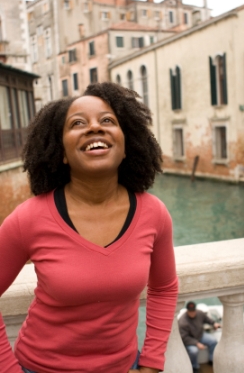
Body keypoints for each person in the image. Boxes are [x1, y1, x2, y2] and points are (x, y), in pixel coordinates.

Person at [0, 82, 178, 373]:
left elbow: (164, 288)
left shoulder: (154, 213)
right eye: (78, 123)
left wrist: (151, 363)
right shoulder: (28, 219)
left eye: (107, 120)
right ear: (62, 153)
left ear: (126, 146)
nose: (95, 127)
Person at [178, 301, 221, 373]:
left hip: (200, 335)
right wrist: (196, 343)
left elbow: (207, 319)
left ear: (195, 309)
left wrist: (214, 323)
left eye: (193, 311)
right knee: (194, 351)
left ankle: (211, 360)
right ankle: (195, 367)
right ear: (187, 311)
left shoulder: (199, 313)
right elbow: (184, 338)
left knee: (213, 341)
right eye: (190, 311)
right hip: (190, 340)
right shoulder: (182, 322)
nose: (192, 313)